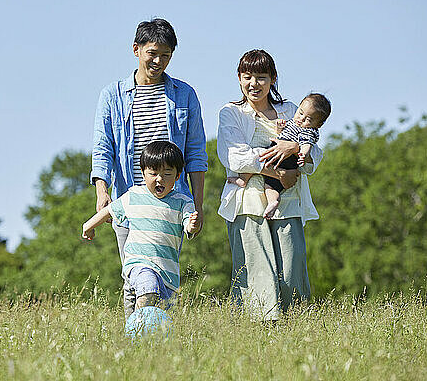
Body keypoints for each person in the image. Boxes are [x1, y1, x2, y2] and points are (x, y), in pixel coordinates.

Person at [90, 18, 207, 319]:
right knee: (134, 277)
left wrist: (198, 204)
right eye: (152, 53)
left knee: (163, 276)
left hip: (171, 202)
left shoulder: (184, 95)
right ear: (136, 49)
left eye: (166, 55)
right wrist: (102, 192)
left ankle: (158, 338)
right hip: (128, 199)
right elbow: (103, 147)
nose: (158, 61)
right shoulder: (112, 95)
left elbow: (195, 153)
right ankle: (137, 341)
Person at [216, 49, 323, 321]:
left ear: (273, 79)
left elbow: (315, 153)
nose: (254, 83)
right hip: (247, 201)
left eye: (261, 77)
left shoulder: (290, 110)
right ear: (239, 79)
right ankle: (259, 328)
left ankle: (296, 326)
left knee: (290, 267)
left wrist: (295, 146)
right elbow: (234, 156)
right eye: (247, 76)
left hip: (289, 200)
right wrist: (277, 172)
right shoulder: (232, 113)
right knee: (256, 267)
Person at [83, 141, 199, 310]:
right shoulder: (134, 195)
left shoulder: (182, 202)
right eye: (153, 173)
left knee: (159, 325)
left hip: (167, 274)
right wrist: (89, 225)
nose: (159, 179)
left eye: (167, 174)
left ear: (178, 175)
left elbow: (189, 226)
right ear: (143, 174)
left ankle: (136, 331)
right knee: (149, 290)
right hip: (139, 265)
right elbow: (109, 210)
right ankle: (141, 318)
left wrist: (192, 225)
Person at [228, 93, 331, 219]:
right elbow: (282, 135)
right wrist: (279, 129)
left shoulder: (309, 131)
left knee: (260, 159)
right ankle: (273, 201)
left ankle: (243, 179)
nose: (301, 119)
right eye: (301, 112)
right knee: (271, 185)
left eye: (308, 119)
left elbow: (306, 144)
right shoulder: (293, 121)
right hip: (280, 158)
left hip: (285, 157)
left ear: (318, 124)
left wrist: (301, 152)